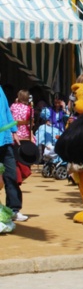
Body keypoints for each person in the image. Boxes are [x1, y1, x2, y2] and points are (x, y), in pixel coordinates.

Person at [0, 78, 27, 222]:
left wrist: (14, 130)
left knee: (11, 175)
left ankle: (13, 209)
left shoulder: (0, 90)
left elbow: (6, 112)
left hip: (5, 140)